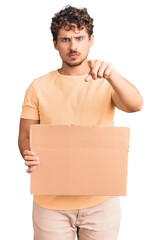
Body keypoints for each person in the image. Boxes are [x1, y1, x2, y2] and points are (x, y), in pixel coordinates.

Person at [18, 5, 143, 240]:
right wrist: (27, 152)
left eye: (79, 37)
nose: (73, 46)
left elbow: (136, 105)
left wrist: (112, 75)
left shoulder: (106, 80)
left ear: (91, 40)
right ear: (55, 43)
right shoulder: (38, 86)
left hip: (100, 201)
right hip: (51, 202)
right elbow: (25, 136)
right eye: (65, 39)